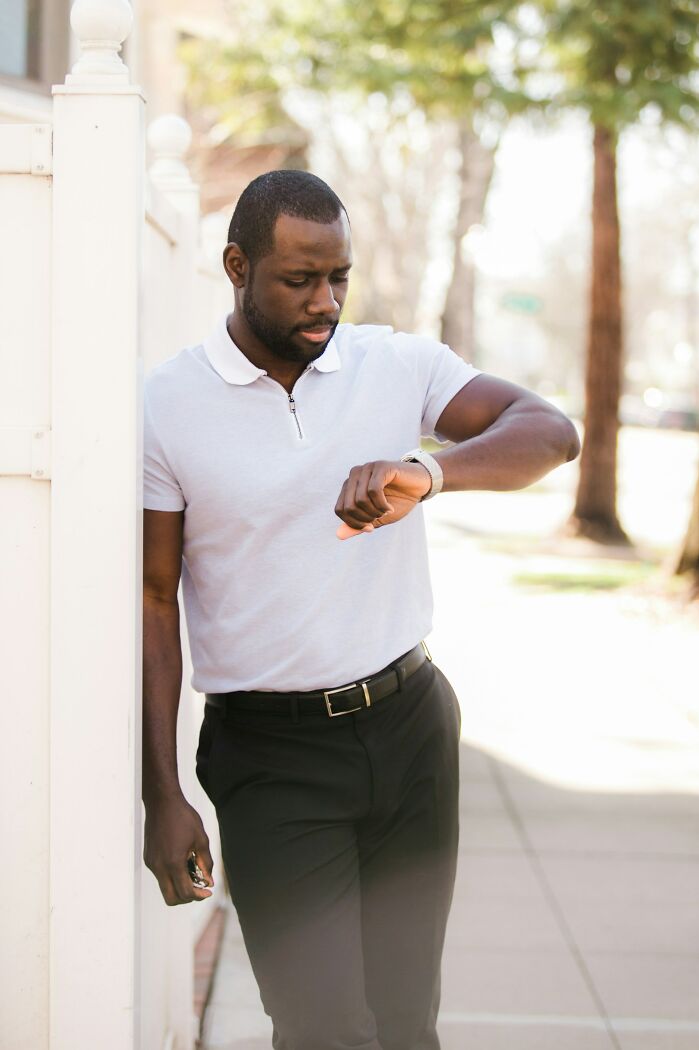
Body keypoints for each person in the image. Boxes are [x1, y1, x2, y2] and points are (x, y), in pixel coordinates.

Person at [142, 169, 580, 1050]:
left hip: (409, 727)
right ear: (237, 266)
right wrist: (162, 794)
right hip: (270, 757)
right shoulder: (167, 404)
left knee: (406, 1020)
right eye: (299, 279)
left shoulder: (397, 363)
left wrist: (429, 471)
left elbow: (551, 431)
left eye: (338, 277)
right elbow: (154, 597)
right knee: (321, 1027)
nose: (325, 301)